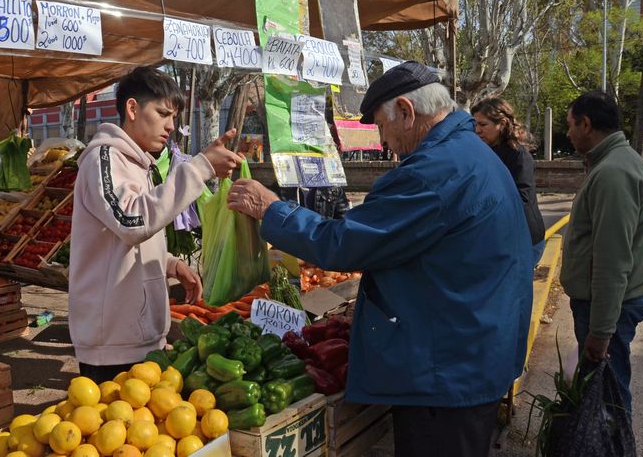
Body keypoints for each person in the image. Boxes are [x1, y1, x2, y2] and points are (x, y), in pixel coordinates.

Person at [228, 61, 533, 457]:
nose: (384, 140)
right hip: (474, 350)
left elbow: (345, 244)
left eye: (382, 127)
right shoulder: (470, 152)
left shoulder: (435, 171)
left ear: (406, 112)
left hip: (447, 370)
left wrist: (272, 210)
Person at [68, 66, 242, 383]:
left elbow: (124, 240)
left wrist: (170, 264)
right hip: (112, 344)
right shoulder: (103, 158)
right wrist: (199, 168)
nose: (170, 126)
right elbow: (131, 221)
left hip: (141, 337)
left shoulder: (140, 164)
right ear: (132, 108)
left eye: (173, 117)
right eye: (162, 114)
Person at [560, 90, 643, 417]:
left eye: (570, 124)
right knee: (603, 397)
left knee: (606, 404)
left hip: (606, 308)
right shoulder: (612, 164)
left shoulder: (613, 172)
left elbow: (612, 260)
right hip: (607, 305)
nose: (568, 133)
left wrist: (600, 331)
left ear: (586, 124)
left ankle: (614, 443)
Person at [471, 98, 545, 264]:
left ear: (502, 124)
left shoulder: (518, 155)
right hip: (502, 235)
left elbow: (522, 200)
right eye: (475, 125)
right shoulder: (487, 150)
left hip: (524, 238)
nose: (477, 130)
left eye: (483, 125)